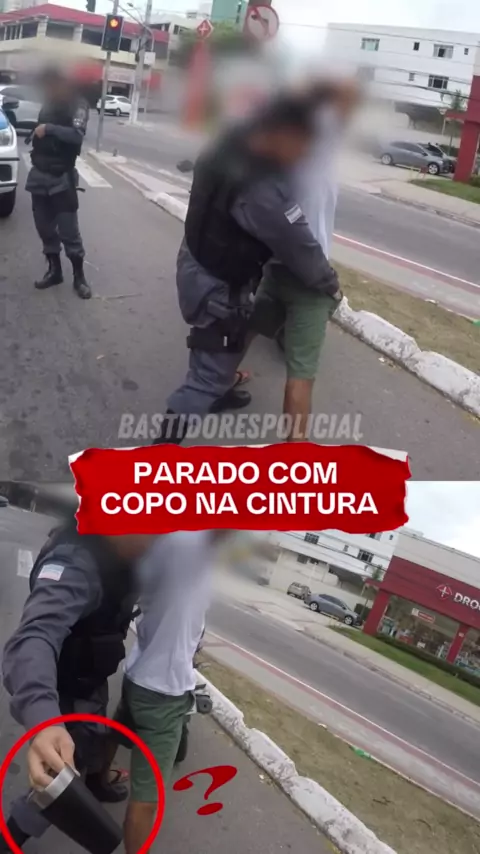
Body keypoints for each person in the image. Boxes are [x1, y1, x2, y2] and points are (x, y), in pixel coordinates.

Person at [154, 87, 342, 445]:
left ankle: (220, 389)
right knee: (206, 377)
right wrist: (330, 283)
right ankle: (158, 454)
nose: (302, 154)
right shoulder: (261, 188)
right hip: (217, 283)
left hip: (196, 259)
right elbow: (297, 243)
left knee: (223, 346)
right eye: (300, 144)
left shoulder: (229, 143)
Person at [0, 516, 155, 852]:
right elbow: (33, 637)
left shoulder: (126, 553)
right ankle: (11, 836)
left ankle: (95, 782)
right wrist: (44, 720)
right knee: (57, 775)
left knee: (87, 746)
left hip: (90, 679)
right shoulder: (76, 562)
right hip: (61, 688)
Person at [98, 531, 224, 854]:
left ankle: (97, 779)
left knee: (120, 726)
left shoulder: (161, 550)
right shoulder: (189, 548)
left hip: (139, 674)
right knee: (147, 799)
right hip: (164, 693)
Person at [256, 78, 361, 440]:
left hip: (274, 268)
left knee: (247, 332)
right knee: (301, 374)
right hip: (311, 276)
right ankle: (294, 452)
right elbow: (348, 95)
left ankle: (215, 381)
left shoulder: (276, 159)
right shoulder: (323, 145)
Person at [25, 66, 91, 300]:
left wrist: (49, 129)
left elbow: (76, 135)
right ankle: (55, 271)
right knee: (44, 227)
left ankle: (79, 277)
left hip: (61, 177)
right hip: (39, 174)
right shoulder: (49, 103)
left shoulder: (79, 104)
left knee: (69, 231)